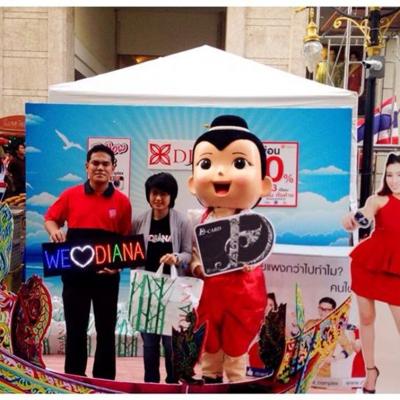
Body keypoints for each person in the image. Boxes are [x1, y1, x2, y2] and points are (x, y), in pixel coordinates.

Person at [188, 114, 272, 382]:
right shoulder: (198, 221)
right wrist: (197, 267)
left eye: (239, 163)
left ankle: (236, 382)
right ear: (192, 182)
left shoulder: (253, 223)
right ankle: (211, 379)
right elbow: (194, 253)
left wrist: (250, 263)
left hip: (242, 292)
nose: (221, 173)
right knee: (209, 338)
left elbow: (259, 250)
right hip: (210, 291)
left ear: (263, 184)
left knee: (237, 342)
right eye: (206, 164)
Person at [44, 144, 132, 380]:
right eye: (95, 163)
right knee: (76, 329)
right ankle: (74, 379)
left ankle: (104, 381)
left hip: (107, 278)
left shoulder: (123, 202)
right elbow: (50, 219)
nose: (100, 168)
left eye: (105, 164)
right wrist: (54, 231)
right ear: (87, 167)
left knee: (106, 330)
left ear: (113, 168)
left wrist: (117, 266)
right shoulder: (70, 195)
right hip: (75, 276)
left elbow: (125, 243)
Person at [342, 152, 400, 393]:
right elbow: (365, 213)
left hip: (396, 269)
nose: (394, 181)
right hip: (369, 264)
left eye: (399, 175)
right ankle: (370, 371)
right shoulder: (378, 200)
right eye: (389, 175)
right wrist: (354, 219)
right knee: (366, 319)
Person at [133, 172, 193, 384]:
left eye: (164, 194)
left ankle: (173, 385)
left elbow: (188, 254)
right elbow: (130, 253)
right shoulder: (139, 221)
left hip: (174, 293)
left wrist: (176, 258)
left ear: (172, 196)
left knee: (171, 344)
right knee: (149, 344)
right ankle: (150, 385)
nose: (158, 198)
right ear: (148, 194)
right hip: (147, 292)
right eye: (154, 193)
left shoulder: (182, 222)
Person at [303, 297, 353, 378]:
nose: (323, 312)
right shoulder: (310, 323)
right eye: (321, 308)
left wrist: (335, 358)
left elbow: (349, 348)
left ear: (333, 311)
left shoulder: (336, 329)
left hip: (322, 374)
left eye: (327, 310)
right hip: (303, 373)